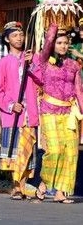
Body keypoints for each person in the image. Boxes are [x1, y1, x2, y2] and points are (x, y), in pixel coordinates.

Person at [29, 24, 83, 204]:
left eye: (66, 43)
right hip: (50, 111)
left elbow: (79, 90)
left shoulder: (74, 65)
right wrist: (54, 23)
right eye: (59, 42)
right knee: (54, 150)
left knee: (71, 152)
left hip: (69, 113)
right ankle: (44, 183)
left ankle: (61, 191)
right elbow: (48, 42)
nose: (63, 46)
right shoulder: (44, 61)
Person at [0, 21, 39, 200]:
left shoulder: (32, 59)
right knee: (15, 151)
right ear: (7, 39)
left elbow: (42, 80)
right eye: (15, 35)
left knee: (27, 150)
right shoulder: (2, 63)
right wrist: (11, 105)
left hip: (30, 112)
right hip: (13, 115)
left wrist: (32, 65)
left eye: (21, 35)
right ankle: (17, 185)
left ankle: (22, 185)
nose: (19, 38)